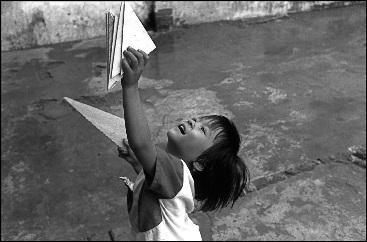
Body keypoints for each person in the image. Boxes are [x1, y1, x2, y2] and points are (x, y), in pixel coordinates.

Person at [118, 46, 250, 241]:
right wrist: (138, 164)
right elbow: (154, 189)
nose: (193, 121)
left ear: (200, 163)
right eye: (198, 119)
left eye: (202, 130)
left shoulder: (177, 172)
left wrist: (130, 86)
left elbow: (142, 144)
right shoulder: (173, 179)